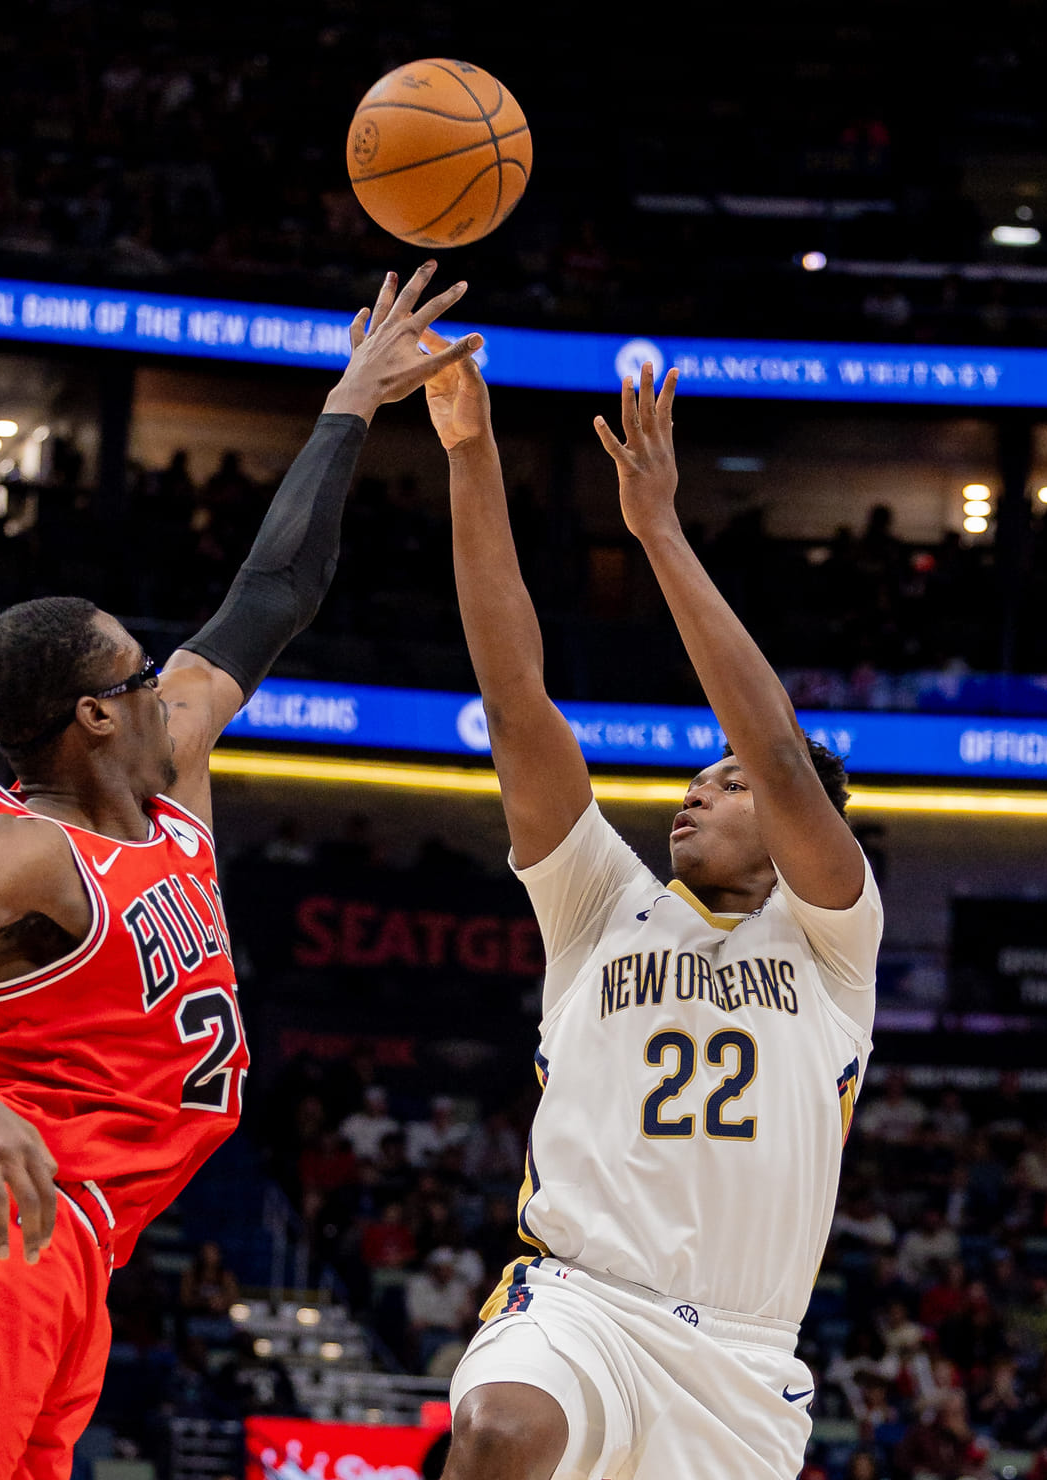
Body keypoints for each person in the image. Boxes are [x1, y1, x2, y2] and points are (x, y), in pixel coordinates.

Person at [0, 263, 479, 1480]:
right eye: (133, 674)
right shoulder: (16, 850)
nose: (167, 675)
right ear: (92, 720)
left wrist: (352, 405)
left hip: (81, 1252)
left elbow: (275, 590)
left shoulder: (169, 773)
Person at [421, 353, 880, 1480]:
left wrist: (660, 532)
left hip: (739, 1362)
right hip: (580, 1300)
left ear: (790, 818)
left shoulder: (831, 942)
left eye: (726, 785)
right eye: (696, 778)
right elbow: (514, 694)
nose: (695, 790)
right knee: (496, 1432)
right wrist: (472, 455)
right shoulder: (598, 903)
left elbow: (777, 746)